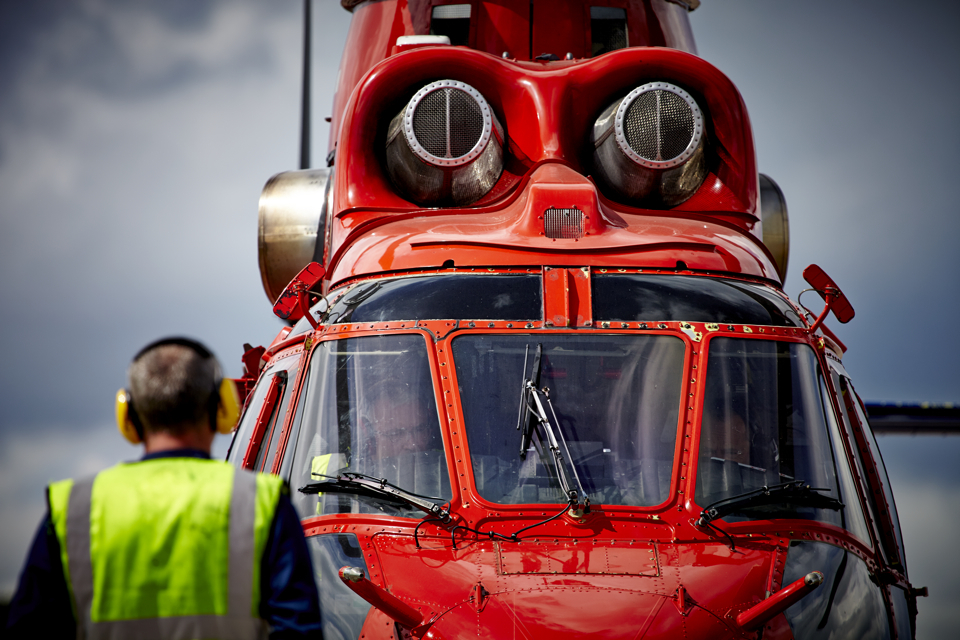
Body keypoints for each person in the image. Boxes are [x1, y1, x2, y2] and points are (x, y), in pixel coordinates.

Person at [5, 337, 323, 639]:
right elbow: (298, 629)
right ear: (222, 408)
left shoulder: (72, 509)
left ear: (127, 416)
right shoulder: (261, 502)